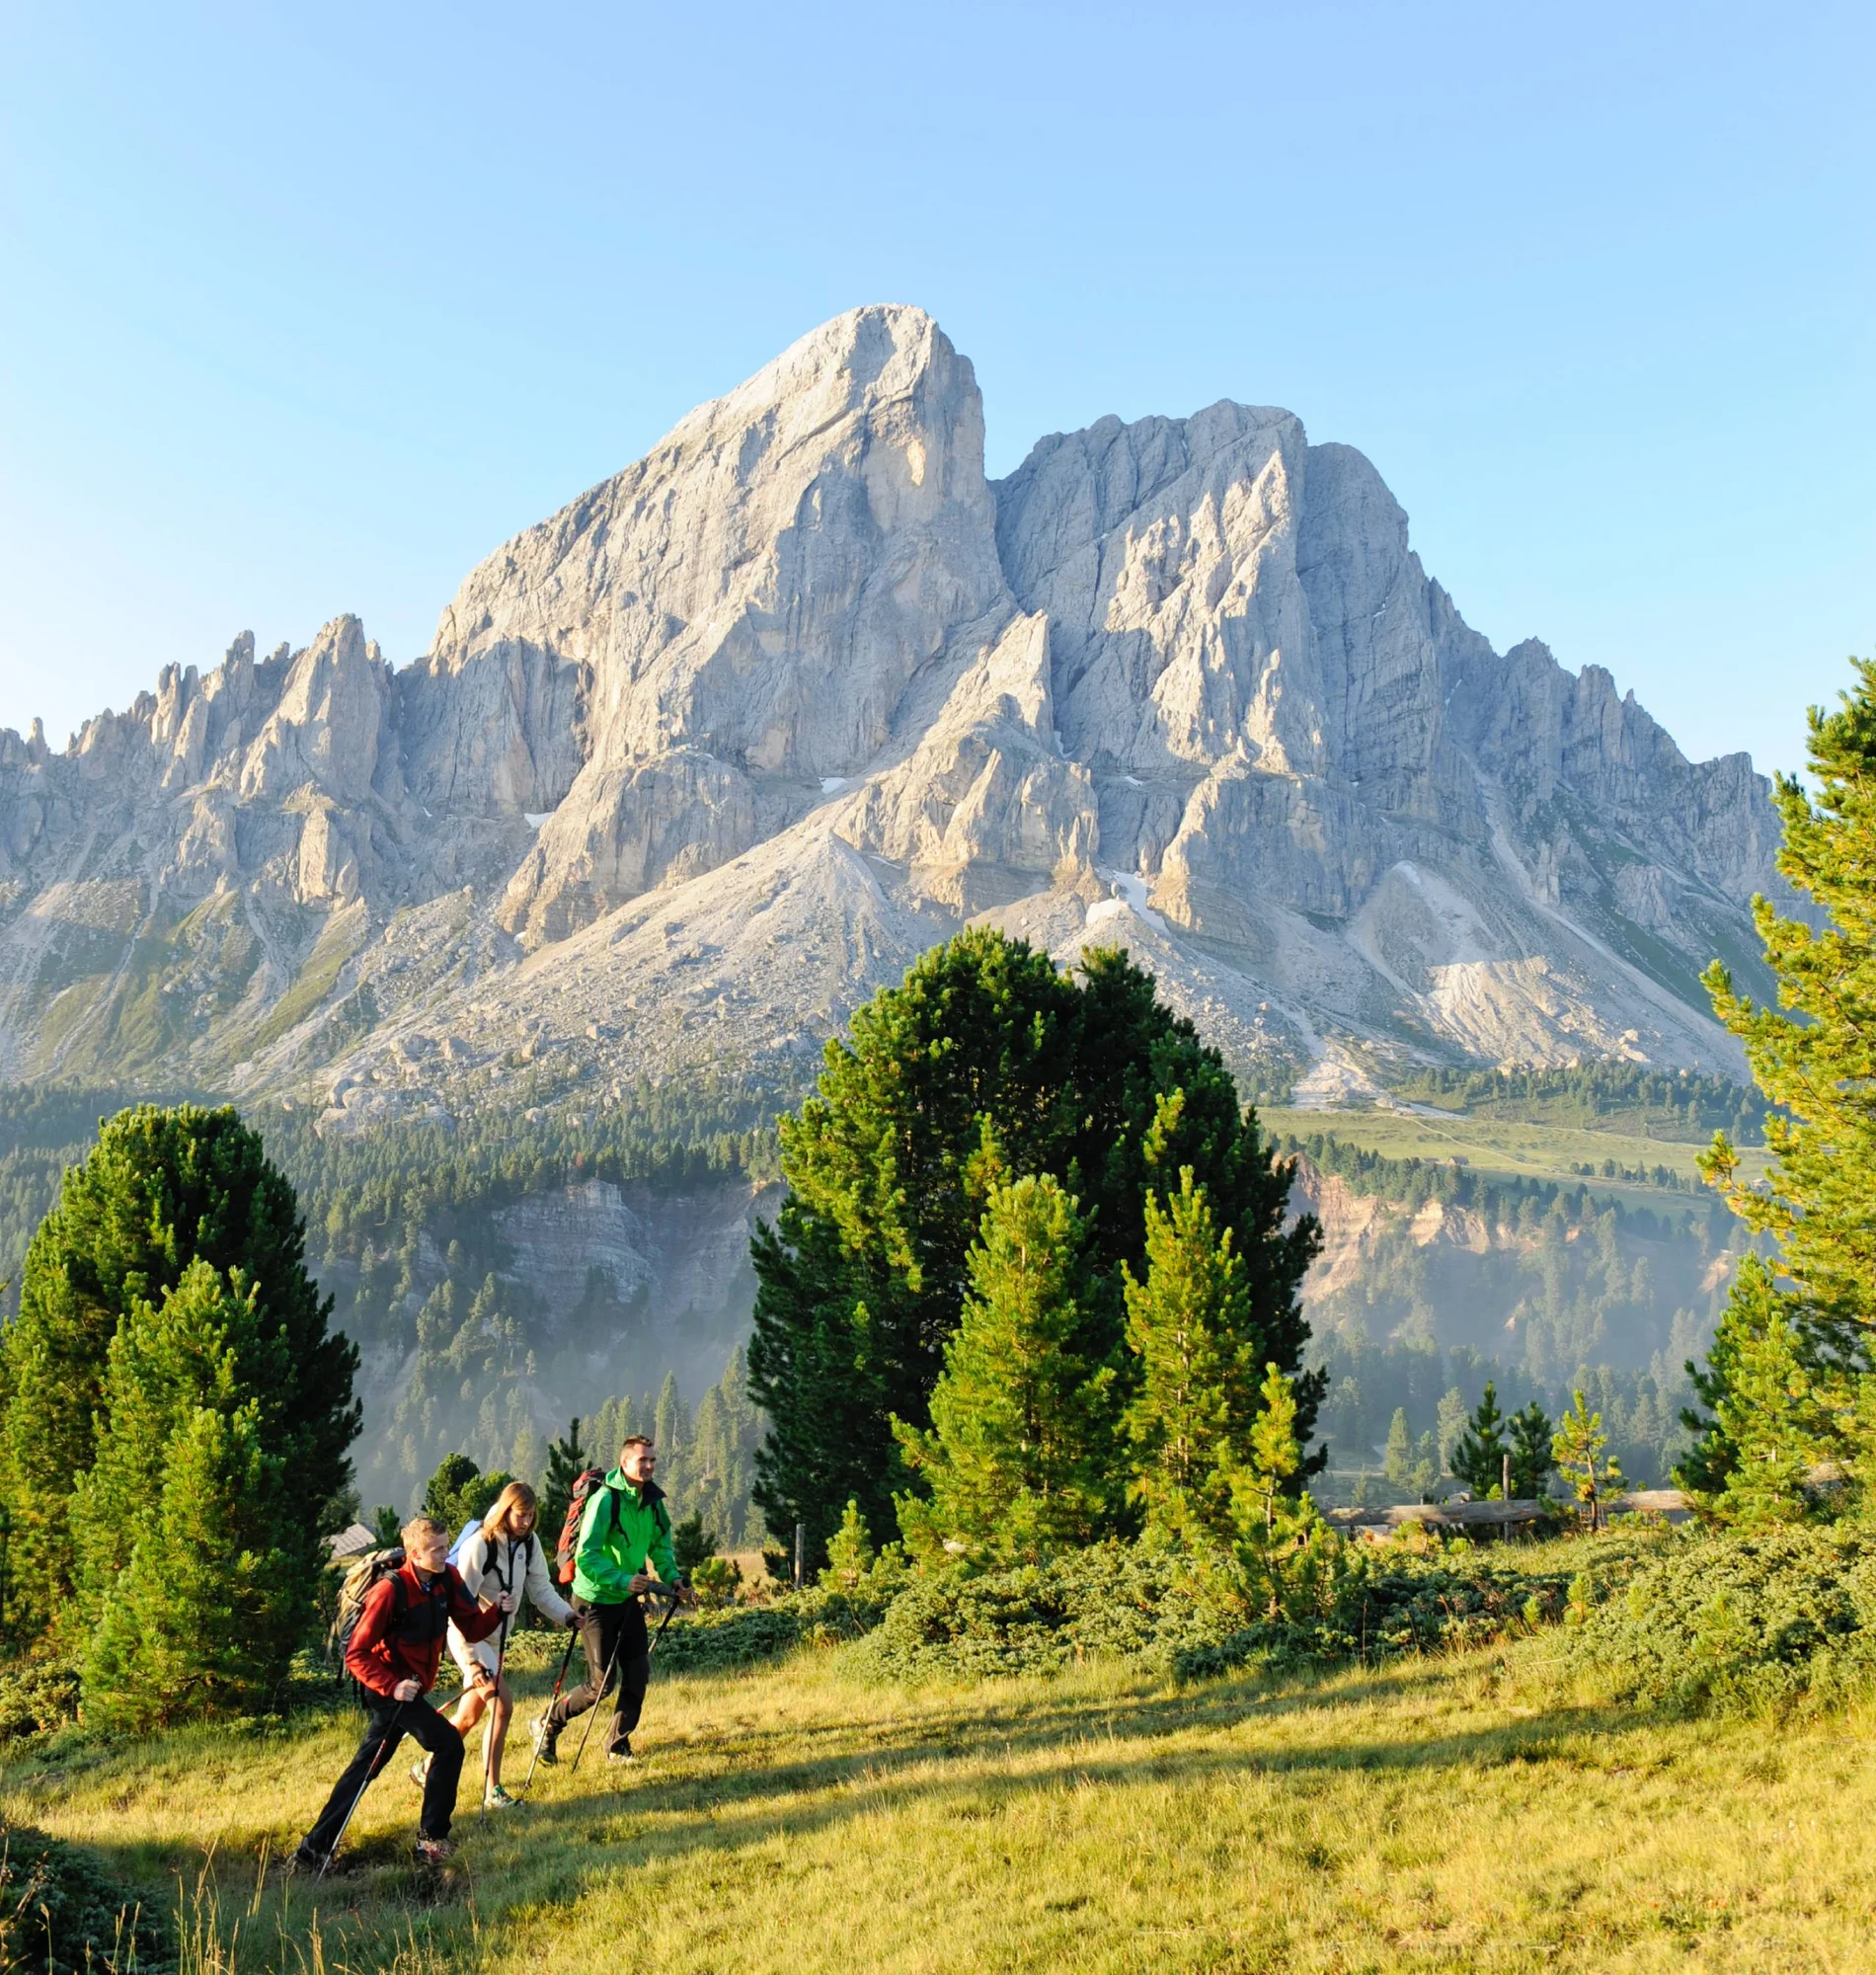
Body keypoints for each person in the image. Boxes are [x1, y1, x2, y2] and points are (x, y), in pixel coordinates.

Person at [293, 1515, 515, 1871]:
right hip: (389, 1692)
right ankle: (431, 1841)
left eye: (446, 1546)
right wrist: (393, 1686)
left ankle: (312, 1850)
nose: (446, 1555)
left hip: (409, 1691)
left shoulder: (447, 1579)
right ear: (414, 1552)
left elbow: (472, 1628)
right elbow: (356, 1653)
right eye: (437, 1549)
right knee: (447, 1744)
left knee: (367, 1765)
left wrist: (498, 1614)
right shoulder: (389, 1590)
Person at [530, 1434, 692, 1766]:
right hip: (595, 1600)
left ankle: (617, 1747)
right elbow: (587, 1556)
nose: (648, 1466)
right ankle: (548, 1722)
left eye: (652, 1460)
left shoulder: (652, 1501)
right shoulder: (605, 1500)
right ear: (625, 1463)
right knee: (600, 1684)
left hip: (627, 1598)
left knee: (637, 1674)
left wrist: (673, 1577)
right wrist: (623, 1579)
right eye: (641, 1460)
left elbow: (661, 1546)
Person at [418, 1480, 575, 1810]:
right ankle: (493, 1792)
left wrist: (569, 1617)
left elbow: (541, 1590)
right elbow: (457, 1606)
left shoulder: (529, 1545)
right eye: (520, 1515)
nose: (526, 1522)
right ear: (506, 1510)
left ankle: (425, 1768)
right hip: (471, 1638)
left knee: (468, 1717)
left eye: (531, 1515)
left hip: (495, 1639)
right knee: (503, 1706)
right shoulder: (481, 1545)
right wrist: (471, 1660)